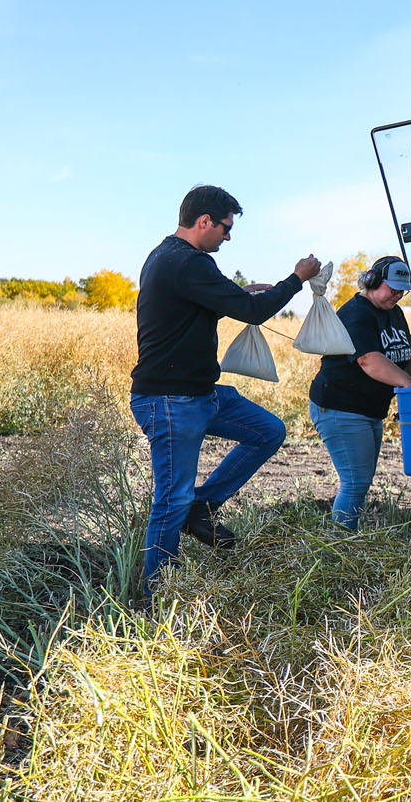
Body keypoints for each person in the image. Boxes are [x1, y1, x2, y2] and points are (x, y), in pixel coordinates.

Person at [129, 185, 321, 597]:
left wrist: (240, 292)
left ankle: (204, 505)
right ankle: (155, 595)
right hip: (170, 400)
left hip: (199, 394)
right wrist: (296, 279)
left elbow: (205, 303)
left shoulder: (168, 257)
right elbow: (253, 312)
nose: (227, 237)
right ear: (204, 222)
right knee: (171, 498)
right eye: (225, 228)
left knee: (267, 431)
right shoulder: (189, 263)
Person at [308, 255, 411, 529]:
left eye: (402, 290)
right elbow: (369, 360)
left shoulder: (394, 312)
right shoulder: (355, 313)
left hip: (369, 409)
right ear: (373, 281)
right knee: (355, 481)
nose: (398, 295)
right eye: (392, 289)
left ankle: (347, 536)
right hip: (340, 407)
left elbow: (410, 353)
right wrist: (409, 385)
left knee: (362, 479)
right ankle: (340, 545)